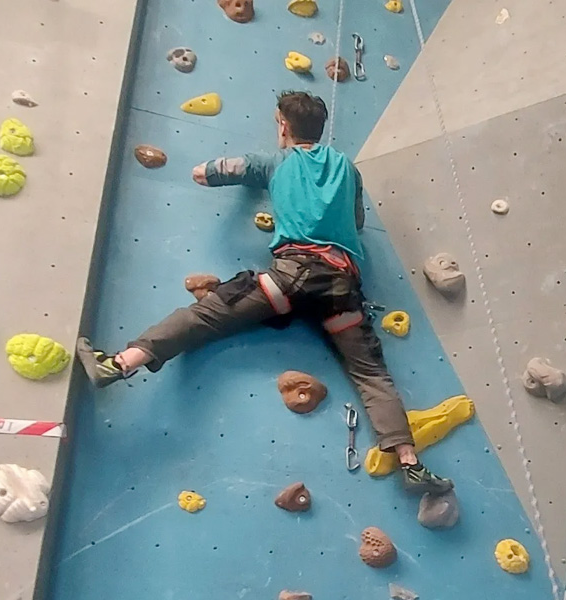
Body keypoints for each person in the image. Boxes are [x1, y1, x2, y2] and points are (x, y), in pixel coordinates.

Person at [76, 90, 452, 495]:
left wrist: (261, 183)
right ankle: (410, 464)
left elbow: (204, 173)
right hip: (341, 287)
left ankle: (119, 364)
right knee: (371, 372)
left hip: (289, 278)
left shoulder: (274, 161)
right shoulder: (348, 168)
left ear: (283, 125)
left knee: (203, 317)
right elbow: (357, 222)